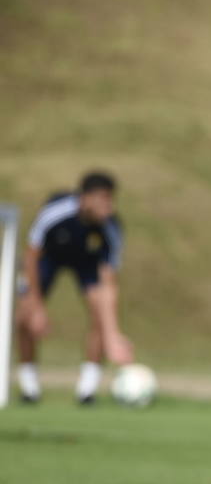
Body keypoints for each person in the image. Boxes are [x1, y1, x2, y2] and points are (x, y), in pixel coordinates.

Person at [16, 171, 134, 404]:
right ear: (85, 198)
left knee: (100, 313)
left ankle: (87, 390)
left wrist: (113, 335)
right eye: (102, 198)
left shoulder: (111, 227)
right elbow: (31, 256)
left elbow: (108, 282)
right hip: (47, 259)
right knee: (24, 317)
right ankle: (29, 387)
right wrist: (36, 306)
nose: (108, 206)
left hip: (86, 261)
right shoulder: (56, 213)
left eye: (111, 199)